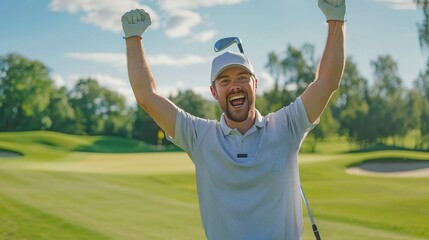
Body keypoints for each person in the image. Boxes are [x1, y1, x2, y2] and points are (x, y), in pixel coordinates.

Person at [121, 0, 346, 239]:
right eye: (224, 81)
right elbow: (146, 96)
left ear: (255, 84)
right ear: (214, 92)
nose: (235, 85)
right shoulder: (199, 136)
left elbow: (327, 81)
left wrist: (336, 19)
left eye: (242, 77)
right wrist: (134, 38)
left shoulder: (286, 126)